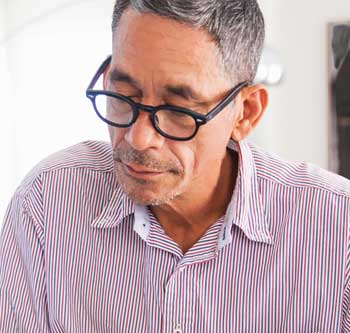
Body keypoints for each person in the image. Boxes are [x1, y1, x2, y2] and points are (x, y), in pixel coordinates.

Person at [1, 0, 349, 332]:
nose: (138, 139)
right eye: (123, 97)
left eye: (178, 111)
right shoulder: (47, 202)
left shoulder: (338, 230)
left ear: (246, 113)